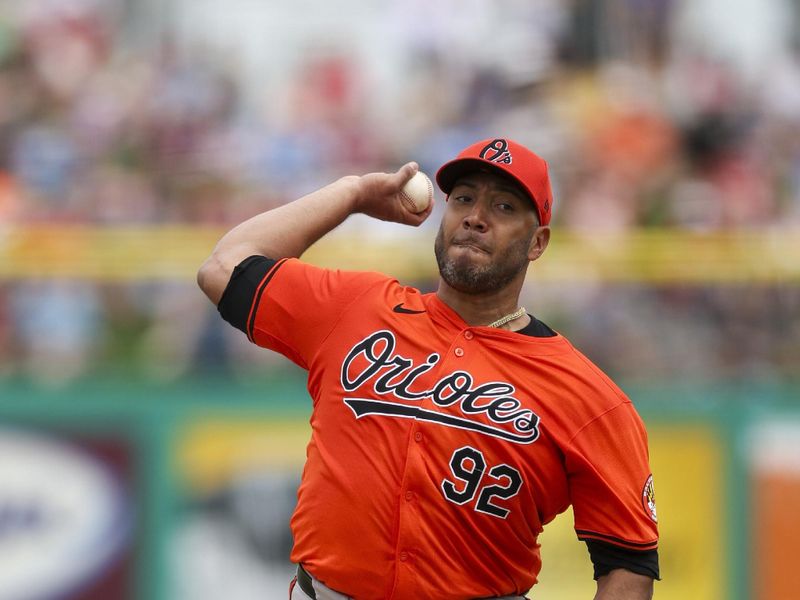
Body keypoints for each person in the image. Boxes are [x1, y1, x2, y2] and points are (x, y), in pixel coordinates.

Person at [197, 138, 660, 600]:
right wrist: (352, 194)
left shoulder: (586, 394)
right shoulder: (357, 309)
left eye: (502, 206)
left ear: (537, 242)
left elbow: (628, 564)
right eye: (463, 199)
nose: (475, 217)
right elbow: (223, 266)